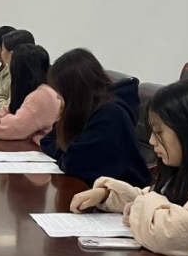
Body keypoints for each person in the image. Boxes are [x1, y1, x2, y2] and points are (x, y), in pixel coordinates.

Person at [71, 81, 188, 256]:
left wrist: (138, 205)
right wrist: (107, 195)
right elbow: (158, 196)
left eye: (159, 132)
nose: (152, 141)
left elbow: (168, 233)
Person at [40, 49, 151, 187]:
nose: (57, 96)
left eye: (61, 91)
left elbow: (73, 164)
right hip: (94, 189)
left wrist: (63, 154)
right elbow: (47, 141)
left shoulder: (109, 115)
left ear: (74, 90)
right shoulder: (84, 109)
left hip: (121, 195)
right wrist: (64, 154)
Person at [0, 44, 62, 143]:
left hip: (40, 150)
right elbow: (9, 111)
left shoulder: (41, 95)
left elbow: (12, 128)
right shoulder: (32, 90)